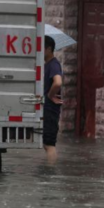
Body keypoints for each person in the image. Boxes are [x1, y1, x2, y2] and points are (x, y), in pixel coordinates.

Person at [43, 35, 63, 164]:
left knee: (49, 144)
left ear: (49, 49)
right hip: (48, 109)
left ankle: (50, 175)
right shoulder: (48, 64)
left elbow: (58, 82)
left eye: (40, 48)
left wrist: (50, 96)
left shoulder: (54, 64)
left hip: (51, 109)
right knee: (46, 143)